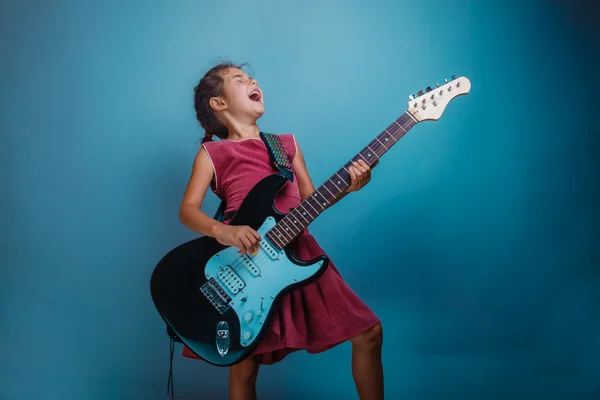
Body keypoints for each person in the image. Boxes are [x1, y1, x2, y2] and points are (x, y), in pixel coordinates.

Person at [178, 62, 384, 400]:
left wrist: (350, 186)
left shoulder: (285, 144)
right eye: (239, 80)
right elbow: (187, 210)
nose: (252, 81)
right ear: (219, 103)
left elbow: (310, 201)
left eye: (251, 78)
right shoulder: (212, 153)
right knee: (243, 365)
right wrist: (224, 232)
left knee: (369, 333)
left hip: (299, 252)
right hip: (243, 262)